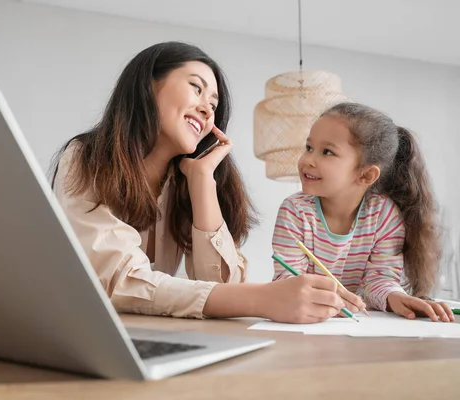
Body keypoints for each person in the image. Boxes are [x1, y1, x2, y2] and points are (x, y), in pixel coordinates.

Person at [51, 41, 346, 323]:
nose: (207, 110)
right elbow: (119, 280)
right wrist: (261, 299)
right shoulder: (86, 157)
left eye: (213, 104)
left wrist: (202, 180)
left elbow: (220, 283)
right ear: (148, 85)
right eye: (196, 88)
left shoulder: (184, 183)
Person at [272, 102, 455, 322]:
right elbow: (287, 279)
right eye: (309, 147)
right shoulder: (295, 211)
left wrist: (395, 296)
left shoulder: (384, 215)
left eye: (327, 151)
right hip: (308, 322)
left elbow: (380, 279)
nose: (307, 160)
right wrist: (327, 298)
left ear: (366, 175)